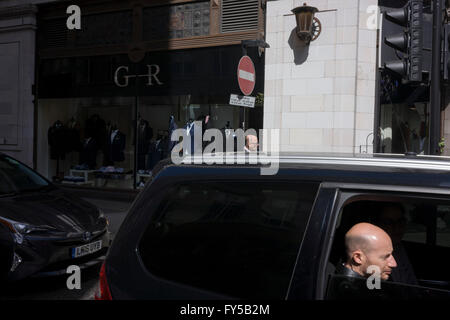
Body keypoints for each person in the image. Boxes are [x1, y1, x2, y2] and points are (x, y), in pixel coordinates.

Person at [374, 203, 418, 285]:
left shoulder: (399, 248)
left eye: (400, 221)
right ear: (378, 225)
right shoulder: (371, 256)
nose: (397, 227)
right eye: (388, 222)